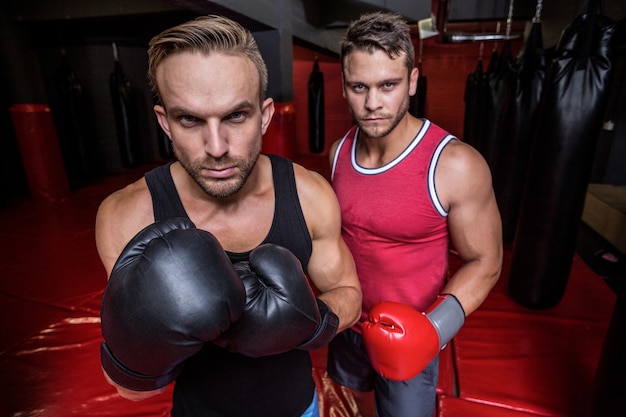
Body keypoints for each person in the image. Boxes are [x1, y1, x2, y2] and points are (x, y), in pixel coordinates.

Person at [95, 15, 362, 417]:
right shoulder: (127, 216)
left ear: (265, 114)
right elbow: (130, 388)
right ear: (164, 122)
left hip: (298, 409)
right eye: (190, 119)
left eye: (236, 116)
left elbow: (349, 294)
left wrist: (310, 323)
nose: (216, 147)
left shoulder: (308, 195)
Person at [326, 12, 503, 417]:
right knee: (359, 407)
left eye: (388, 85)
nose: (372, 103)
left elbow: (487, 261)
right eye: (359, 87)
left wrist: (432, 331)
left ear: (412, 80)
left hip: (412, 335)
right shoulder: (338, 153)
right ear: (343, 87)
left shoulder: (454, 164)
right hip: (349, 324)